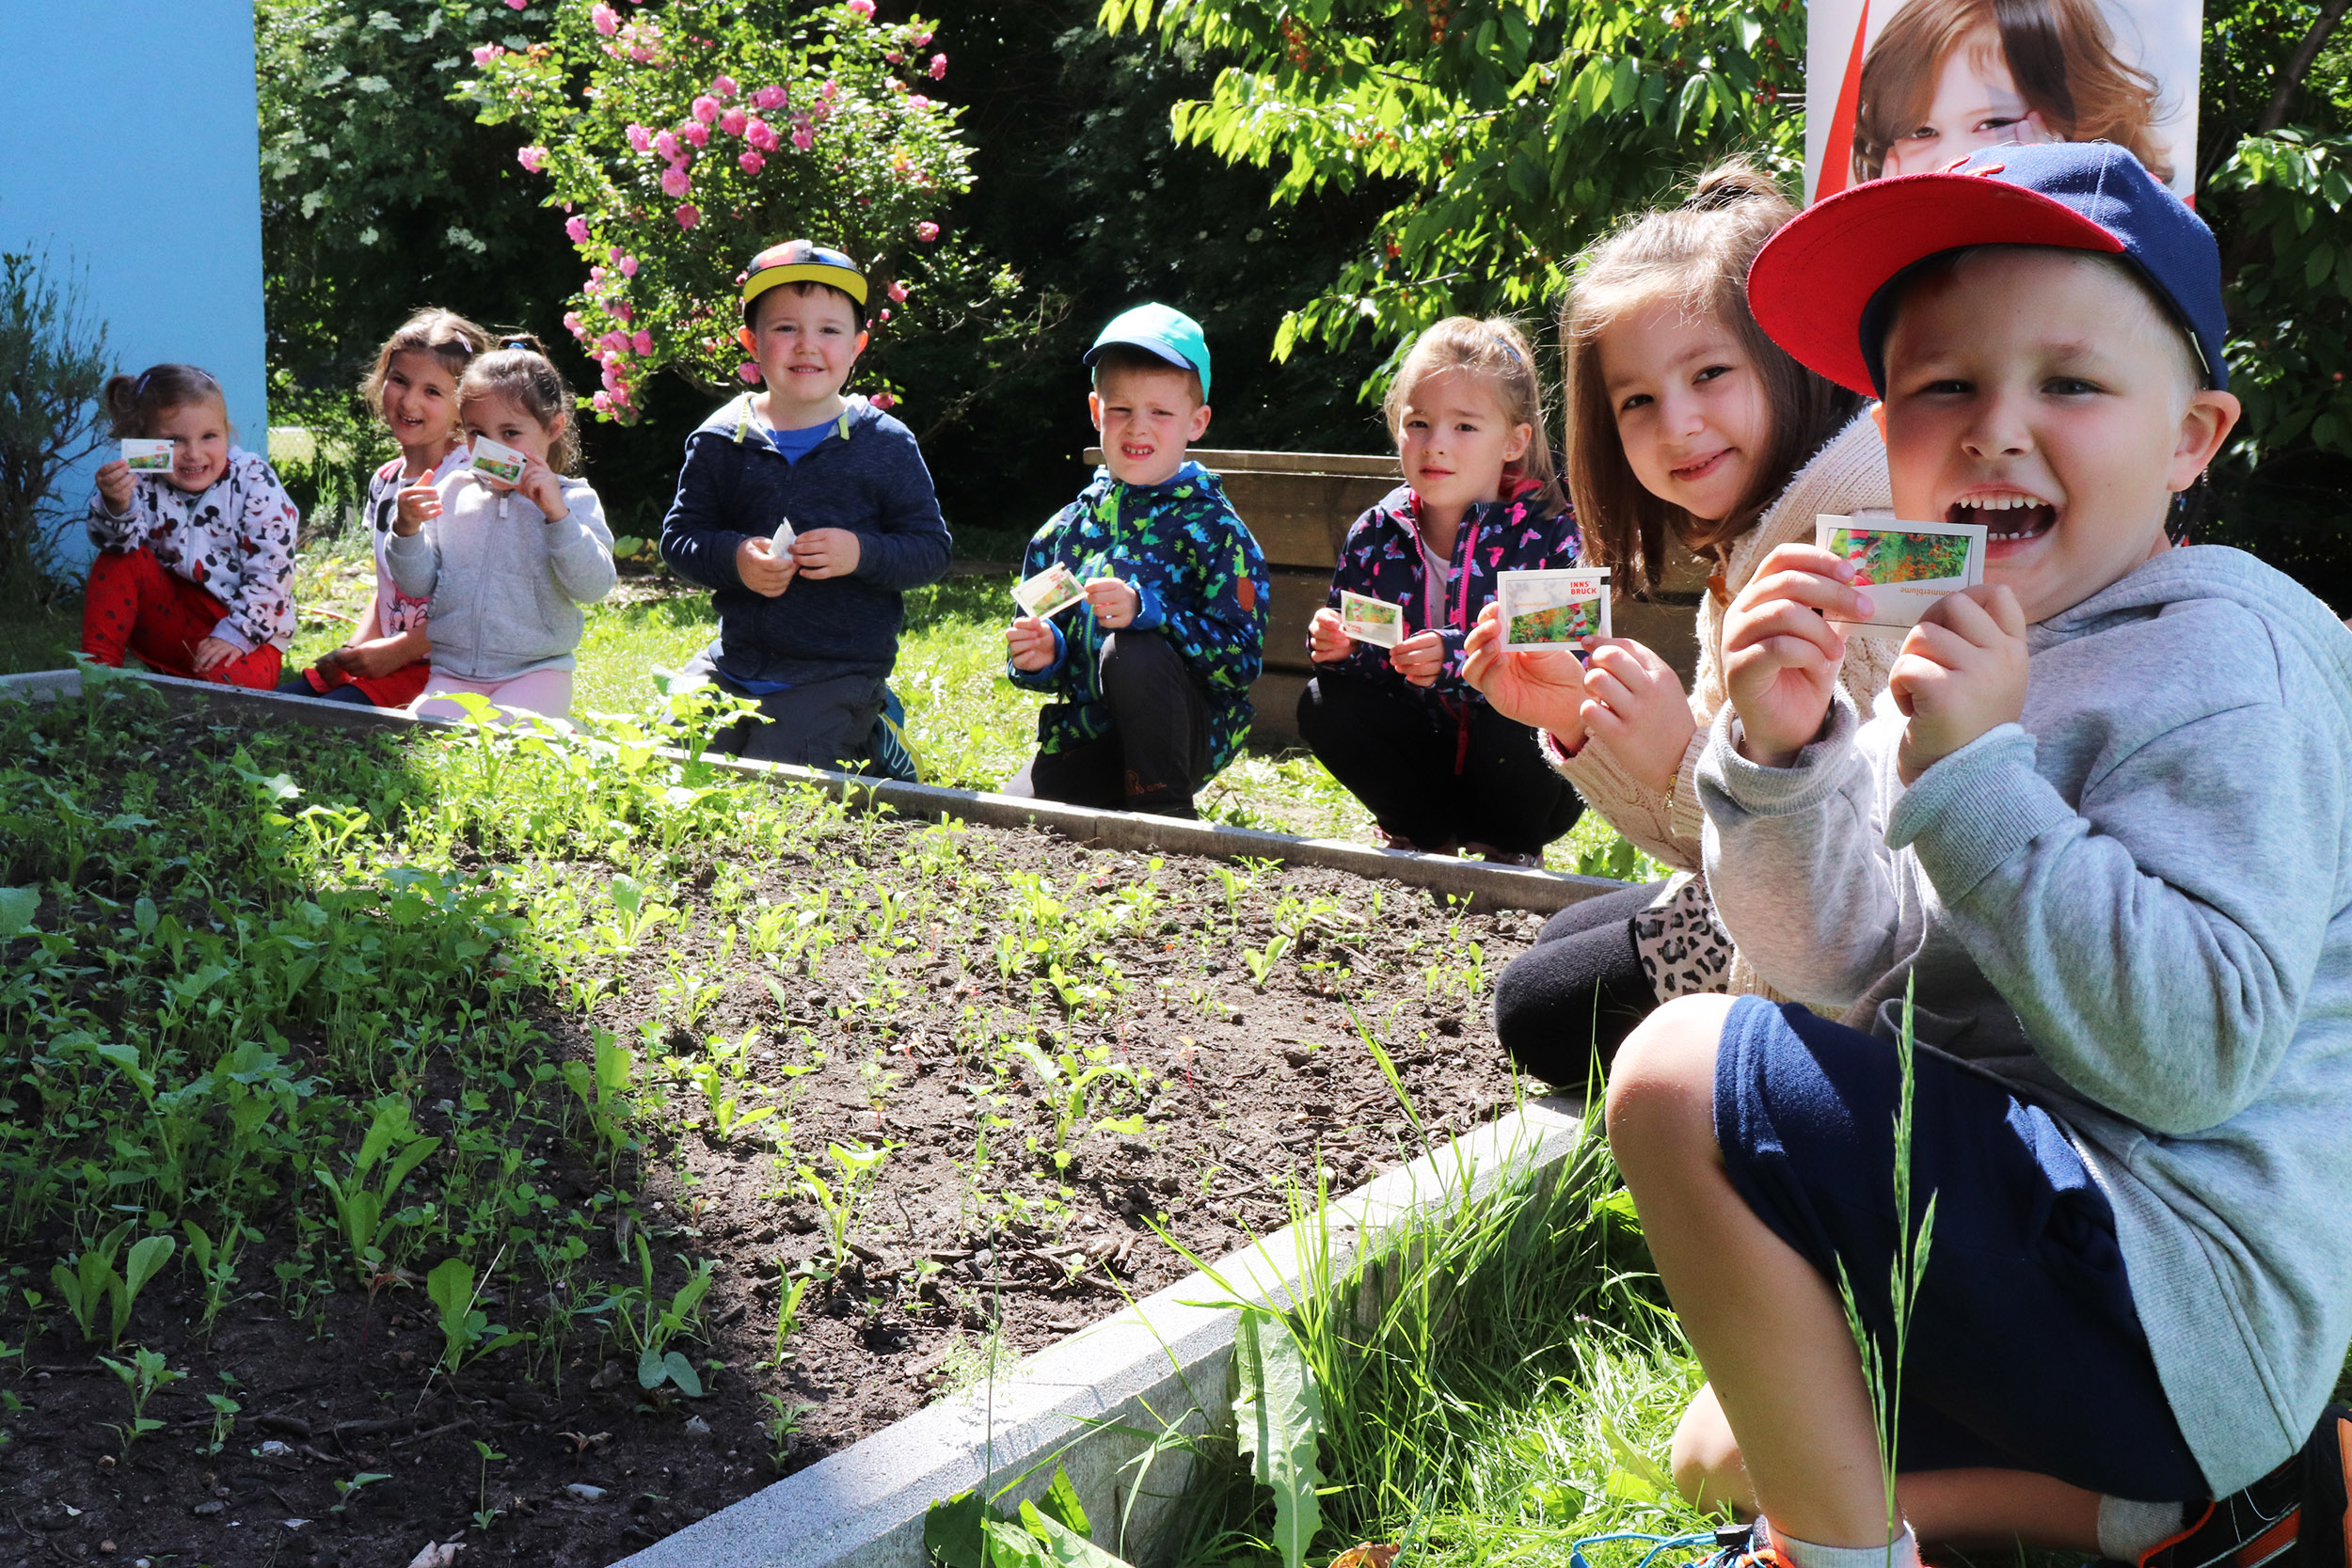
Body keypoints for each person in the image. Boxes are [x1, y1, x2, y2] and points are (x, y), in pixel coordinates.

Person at [1607, 141, 2352, 1568]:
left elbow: (2192, 1055)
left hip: (2181, 1279)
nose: (1997, 428)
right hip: (2063, 1250)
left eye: (2070, 383)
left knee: (1671, 1072)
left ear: (2191, 436)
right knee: (1720, 1440)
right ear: (1886, 432)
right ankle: (2198, 1519)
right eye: (1940, 386)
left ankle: (1843, 1557)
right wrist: (1782, 759)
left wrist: (1979, 770)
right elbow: (1841, 966)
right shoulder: (1976, 648)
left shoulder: (2229, 659)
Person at [1468, 165, 1891, 1080]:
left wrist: (1676, 756)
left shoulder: (1865, 551)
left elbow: (1858, 866)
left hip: (1858, 978)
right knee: (1562, 939)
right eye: (1637, 401)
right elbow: (1711, 846)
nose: (1678, 425)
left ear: (1787, 364)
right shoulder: (1746, 552)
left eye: (1708, 373)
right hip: (1778, 899)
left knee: (1535, 1007)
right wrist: (1584, 720)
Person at [1297, 316, 1582, 864]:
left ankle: (1509, 847)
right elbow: (1366, 670)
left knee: (1516, 705)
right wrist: (1344, 648)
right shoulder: (1376, 532)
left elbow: (1572, 655)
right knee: (1322, 704)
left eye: (1465, 427)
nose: (1436, 446)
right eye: (1419, 423)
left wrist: (1456, 656)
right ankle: (1422, 835)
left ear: (1514, 441)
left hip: (1527, 774)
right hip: (1424, 756)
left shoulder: (1552, 527)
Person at [658, 240, 950, 770]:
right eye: (786, 328)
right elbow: (681, 539)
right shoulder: (722, 437)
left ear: (858, 345)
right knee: (673, 761)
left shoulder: (884, 442)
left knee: (780, 777)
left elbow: (930, 551)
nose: (807, 346)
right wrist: (736, 558)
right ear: (751, 341)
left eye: (829, 330)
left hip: (838, 668)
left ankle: (875, 729)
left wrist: (860, 552)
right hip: (734, 662)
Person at [1002, 304, 1270, 817]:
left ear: (1197, 422)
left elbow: (1240, 662)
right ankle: (1122, 794)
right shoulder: (1063, 533)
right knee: (1014, 816)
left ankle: (1165, 814)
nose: (1137, 428)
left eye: (1161, 413)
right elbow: (1034, 651)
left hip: (1184, 736)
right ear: (1097, 413)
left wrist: (1153, 613)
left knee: (1132, 648)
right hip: (1089, 736)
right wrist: (1042, 656)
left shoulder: (1215, 531)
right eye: (1121, 410)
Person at [386, 338, 613, 722]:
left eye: (510, 434)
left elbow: (594, 587)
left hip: (537, 670)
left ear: (553, 427)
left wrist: (558, 517)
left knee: (514, 742)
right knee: (431, 738)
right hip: (454, 672)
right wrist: (406, 531)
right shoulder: (452, 491)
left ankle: (566, 734)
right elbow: (416, 585)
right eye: (477, 434)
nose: (493, 449)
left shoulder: (574, 500)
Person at [284, 308, 488, 708]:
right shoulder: (386, 480)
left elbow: (478, 602)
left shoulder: (470, 482)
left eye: (432, 391)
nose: (409, 401)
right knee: (280, 703)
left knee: (329, 716)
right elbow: (388, 590)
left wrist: (396, 652)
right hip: (389, 660)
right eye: (400, 381)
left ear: (464, 406)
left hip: (450, 670)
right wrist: (352, 650)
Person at [81, 364, 298, 690]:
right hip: (171, 620)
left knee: (230, 692)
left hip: (247, 631)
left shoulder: (253, 480)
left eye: (209, 436)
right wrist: (117, 505)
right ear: (145, 443)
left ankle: (186, 685)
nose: (194, 454)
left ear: (227, 432)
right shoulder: (140, 478)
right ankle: (97, 679)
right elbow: (118, 546)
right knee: (118, 559)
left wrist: (239, 632)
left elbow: (273, 569)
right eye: (174, 440)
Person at [1852, 0, 2171, 183]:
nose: (1954, 159)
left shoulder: (2141, 238)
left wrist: (2060, 187)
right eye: (1921, 132)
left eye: (1994, 123)